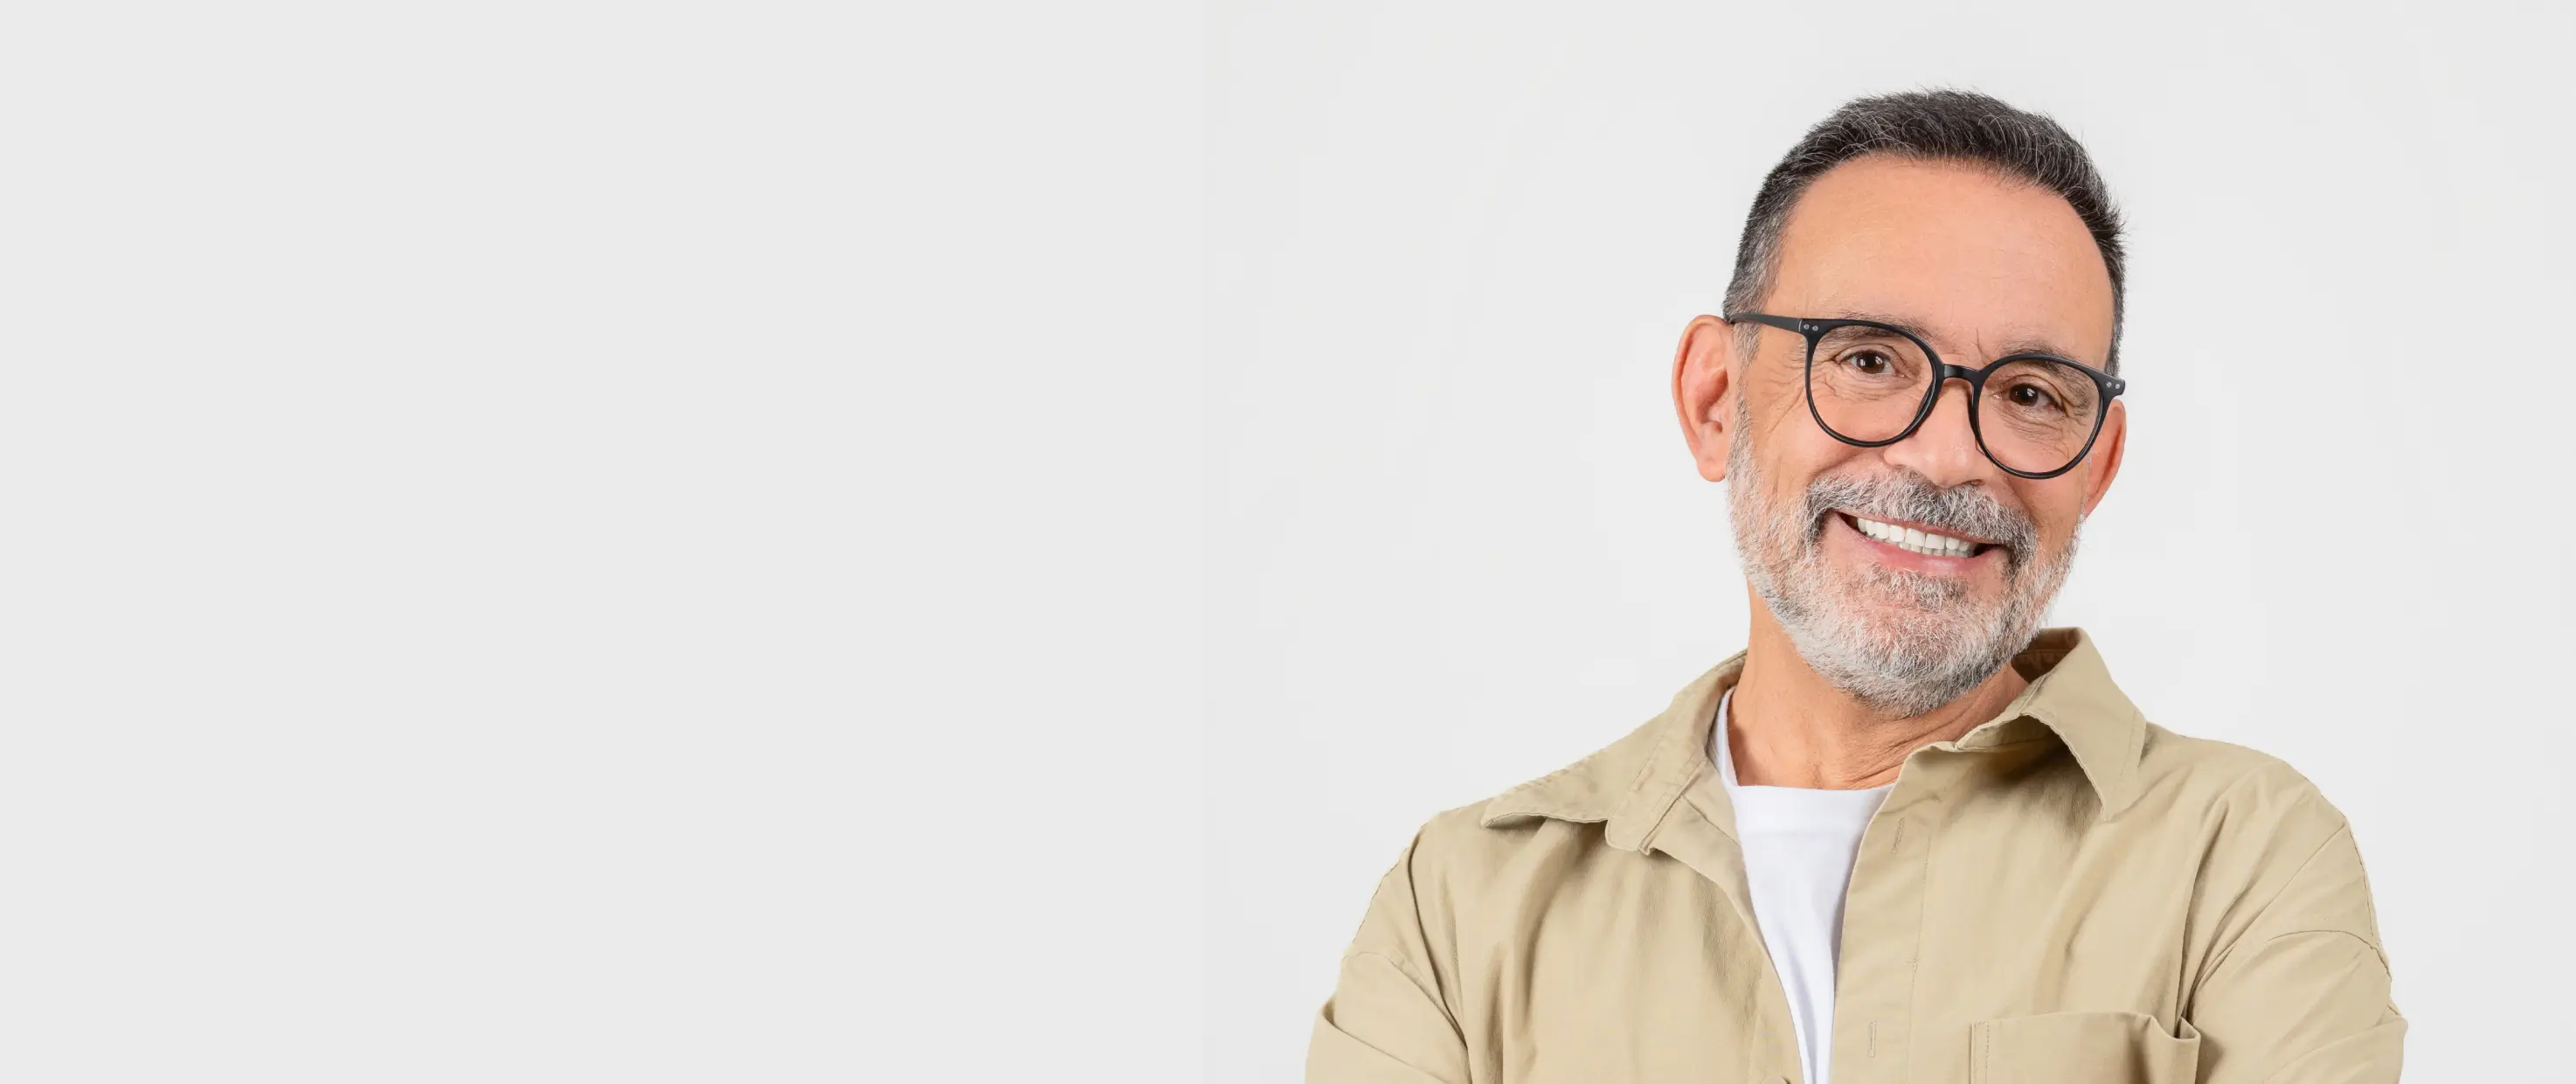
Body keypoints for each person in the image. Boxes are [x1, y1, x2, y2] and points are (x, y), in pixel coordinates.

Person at [1305, 90, 2401, 1084]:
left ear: (2096, 467)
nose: (1945, 457)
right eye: (1869, 360)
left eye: (2029, 393)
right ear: (1715, 399)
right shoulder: (1461, 911)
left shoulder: (2244, 861)